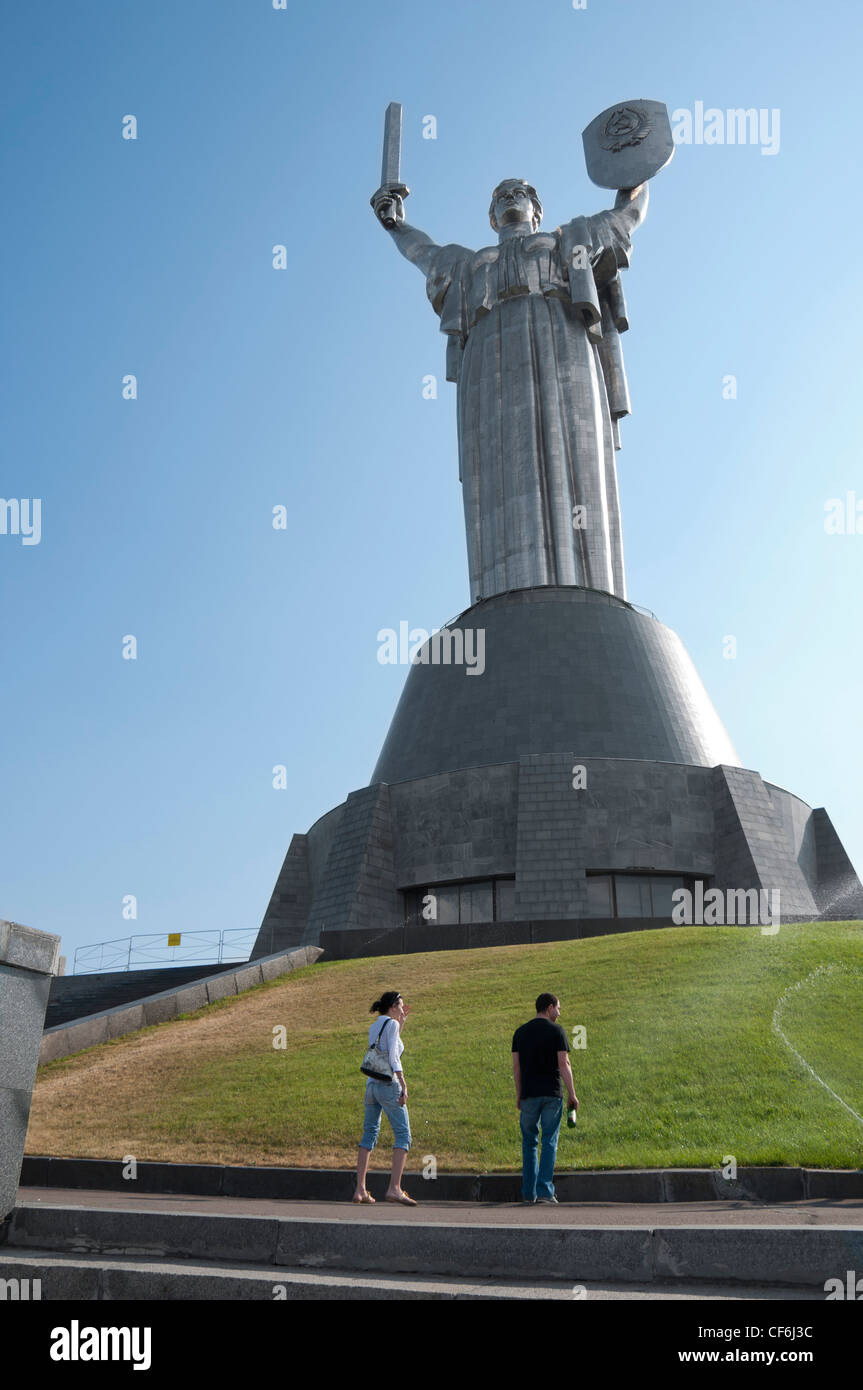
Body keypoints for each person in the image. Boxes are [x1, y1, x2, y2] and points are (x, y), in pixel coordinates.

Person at [512, 993, 578, 1205]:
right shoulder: (557, 1031)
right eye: (558, 1008)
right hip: (552, 1093)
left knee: (529, 1142)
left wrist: (519, 1094)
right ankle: (545, 1192)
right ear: (549, 1008)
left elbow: (516, 1067)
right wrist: (572, 1094)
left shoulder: (520, 1032)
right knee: (549, 1141)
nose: (559, 1013)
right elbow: (564, 1064)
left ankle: (528, 1193)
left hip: (529, 1095)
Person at [353, 990, 417, 1206]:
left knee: (369, 1134)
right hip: (389, 1085)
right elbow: (392, 1057)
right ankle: (394, 1188)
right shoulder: (390, 1025)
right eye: (400, 1005)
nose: (402, 1009)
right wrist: (404, 1084)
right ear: (392, 1006)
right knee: (403, 1135)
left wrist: (402, 1023)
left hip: (371, 1086)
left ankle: (360, 1189)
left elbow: (391, 1046)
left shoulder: (377, 1026)